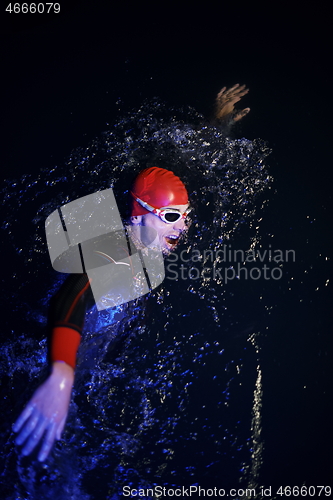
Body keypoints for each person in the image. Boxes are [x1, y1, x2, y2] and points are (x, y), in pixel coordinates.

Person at [13, 84, 250, 462]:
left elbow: (191, 168)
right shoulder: (115, 249)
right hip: (52, 351)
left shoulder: (147, 240)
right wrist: (60, 375)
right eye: (172, 218)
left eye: (185, 217)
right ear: (139, 214)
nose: (182, 228)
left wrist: (217, 124)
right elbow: (69, 298)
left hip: (93, 341)